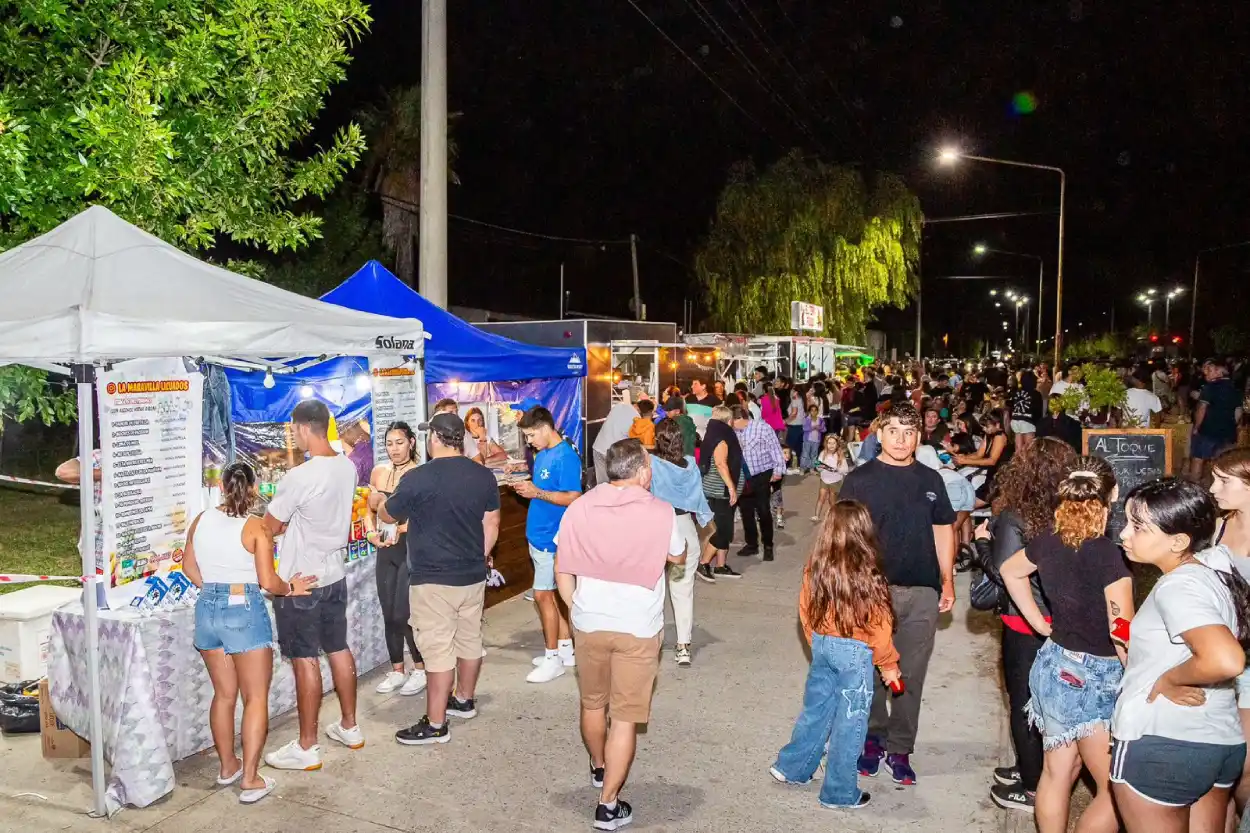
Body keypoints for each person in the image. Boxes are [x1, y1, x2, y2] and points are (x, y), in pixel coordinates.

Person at [555, 439, 687, 831]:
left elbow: (562, 565)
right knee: (625, 719)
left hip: (589, 622)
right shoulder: (661, 511)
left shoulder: (579, 507)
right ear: (642, 471)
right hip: (638, 627)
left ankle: (599, 767)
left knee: (593, 704)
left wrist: (575, 608)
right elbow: (678, 556)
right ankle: (608, 805)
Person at [998, 456, 1133, 833]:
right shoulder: (1109, 556)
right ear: (1112, 496)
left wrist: (1040, 624)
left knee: (1057, 772)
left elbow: (1010, 570)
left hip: (1054, 664)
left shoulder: (1048, 541)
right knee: (1118, 789)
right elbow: (1121, 632)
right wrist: (1140, 681)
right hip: (1096, 677)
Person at [1111, 478, 1250, 832]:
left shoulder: (1178, 586)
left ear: (1178, 541)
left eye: (1138, 527)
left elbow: (1226, 659)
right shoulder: (1214, 567)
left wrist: (1169, 679)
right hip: (1219, 740)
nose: (1124, 534)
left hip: (1162, 744)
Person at [182, 462, 317, 804]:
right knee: (255, 697)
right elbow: (268, 581)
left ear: (221, 487)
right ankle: (251, 779)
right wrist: (292, 587)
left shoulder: (200, 520)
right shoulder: (257, 527)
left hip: (207, 608)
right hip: (243, 609)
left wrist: (214, 590)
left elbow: (188, 567)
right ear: (254, 487)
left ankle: (228, 766)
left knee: (224, 695)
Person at [841, 402, 956, 785]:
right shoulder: (859, 480)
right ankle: (872, 738)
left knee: (911, 675)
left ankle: (901, 748)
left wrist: (947, 579)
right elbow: (845, 538)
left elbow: (943, 529)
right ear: (879, 434)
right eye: (893, 431)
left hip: (922, 591)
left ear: (918, 437)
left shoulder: (931, 480)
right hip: (873, 592)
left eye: (909, 433)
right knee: (871, 671)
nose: (901, 440)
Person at [372, 412, 501, 745]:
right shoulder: (483, 475)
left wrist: (381, 501)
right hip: (472, 575)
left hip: (432, 579)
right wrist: (480, 557)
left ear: (434, 439)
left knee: (437, 649)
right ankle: (464, 699)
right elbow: (492, 523)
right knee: (470, 640)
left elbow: (389, 514)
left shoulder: (418, 477)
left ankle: (435, 723)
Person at [769, 500, 901, 809]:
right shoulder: (868, 571)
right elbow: (880, 625)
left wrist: (816, 640)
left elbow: (805, 608)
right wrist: (889, 664)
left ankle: (793, 767)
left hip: (822, 644)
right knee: (850, 723)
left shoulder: (817, 565)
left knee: (816, 710)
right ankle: (839, 792)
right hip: (855, 652)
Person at [971, 438, 1077, 814]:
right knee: (1046, 702)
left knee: (1023, 703)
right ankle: (1030, 768)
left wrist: (981, 543)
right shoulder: (1072, 510)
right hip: (1060, 616)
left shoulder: (1017, 516)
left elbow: (1003, 572)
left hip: (1024, 620)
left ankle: (1032, 788)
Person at [263, 400, 363, 771]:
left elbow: (268, 526)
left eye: (294, 430)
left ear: (304, 428)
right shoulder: (347, 466)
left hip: (301, 582)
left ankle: (307, 746)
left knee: (305, 659)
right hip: (334, 573)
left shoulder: (300, 476)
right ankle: (350, 726)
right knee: (338, 647)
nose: (294, 436)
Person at [514, 406, 583, 683]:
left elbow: (573, 497)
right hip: (539, 534)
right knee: (551, 596)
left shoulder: (565, 457)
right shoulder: (543, 453)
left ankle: (552, 657)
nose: (529, 441)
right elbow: (545, 488)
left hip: (551, 539)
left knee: (543, 596)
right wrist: (528, 486)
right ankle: (565, 649)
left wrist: (536, 492)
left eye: (531, 435)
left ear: (545, 428)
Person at [364, 422, 427, 696]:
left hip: (409, 550)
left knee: (404, 613)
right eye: (389, 443)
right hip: (385, 550)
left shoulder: (420, 474)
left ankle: (420, 669)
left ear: (411, 442)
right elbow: (367, 509)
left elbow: (426, 516)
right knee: (388, 612)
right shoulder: (379, 472)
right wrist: (370, 533)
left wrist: (401, 528)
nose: (394, 449)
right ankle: (397, 670)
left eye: (399, 442)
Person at [648, 419, 712, 667]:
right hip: (684, 530)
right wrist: (707, 520)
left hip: (656, 528)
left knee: (651, 587)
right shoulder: (690, 466)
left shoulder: (651, 463)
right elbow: (699, 499)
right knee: (682, 589)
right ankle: (683, 646)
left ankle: (650, 641)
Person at [1208, 448, 1250, 818]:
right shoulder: (1219, 524)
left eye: (1223, 481)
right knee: (1221, 759)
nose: (1213, 488)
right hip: (1218, 652)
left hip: (1248, 663)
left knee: (1244, 765)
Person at [731, 404, 785, 562]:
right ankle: (751, 544)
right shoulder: (733, 431)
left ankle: (768, 545)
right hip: (743, 476)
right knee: (746, 511)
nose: (730, 424)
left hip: (762, 474)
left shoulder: (762, 428)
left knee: (763, 510)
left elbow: (775, 449)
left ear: (740, 418)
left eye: (732, 421)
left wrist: (778, 471)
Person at [696, 405, 743, 583]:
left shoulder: (714, 433)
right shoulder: (722, 437)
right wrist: (731, 487)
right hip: (719, 491)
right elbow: (721, 463)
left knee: (725, 528)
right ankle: (703, 563)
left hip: (719, 490)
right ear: (729, 420)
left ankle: (720, 565)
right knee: (723, 530)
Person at [1190, 359, 1244, 482]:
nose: (1206, 373)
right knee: (1222, 463)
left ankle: (1192, 487)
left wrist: (1196, 427)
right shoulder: (1236, 389)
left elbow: (1202, 409)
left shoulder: (1209, 388)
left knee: (1198, 458)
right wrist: (1233, 425)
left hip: (1207, 430)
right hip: (1228, 433)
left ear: (1219, 372)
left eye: (1210, 370)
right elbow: (1238, 412)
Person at [955, 408, 1013, 506]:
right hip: (991, 477)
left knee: (968, 506)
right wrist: (964, 458)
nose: (984, 429)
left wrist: (965, 461)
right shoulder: (989, 434)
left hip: (1000, 478)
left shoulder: (1000, 436)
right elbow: (979, 454)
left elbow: (992, 461)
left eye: (987, 426)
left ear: (997, 425)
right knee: (967, 506)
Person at [592, 393, 639, 485]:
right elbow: (634, 440)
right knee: (616, 485)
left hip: (598, 447)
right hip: (613, 453)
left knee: (602, 484)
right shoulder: (636, 418)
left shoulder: (618, 406)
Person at [812, 433, 849, 521]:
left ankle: (835, 516)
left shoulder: (840, 455)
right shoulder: (823, 453)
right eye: (829, 443)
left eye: (833, 443)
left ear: (837, 444)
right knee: (821, 497)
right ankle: (816, 516)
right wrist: (819, 466)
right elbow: (818, 466)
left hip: (835, 481)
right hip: (824, 479)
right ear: (826, 444)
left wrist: (838, 469)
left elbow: (845, 470)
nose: (831, 445)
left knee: (832, 500)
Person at [1008, 371, 1042, 453]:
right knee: (1029, 449)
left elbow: (1012, 405)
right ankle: (1026, 461)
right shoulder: (1036, 394)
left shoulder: (1016, 392)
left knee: (1018, 449)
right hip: (1028, 421)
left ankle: (1017, 460)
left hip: (1015, 420)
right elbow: (1038, 410)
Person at [799, 403, 826, 473]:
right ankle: (802, 468)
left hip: (816, 441)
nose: (813, 412)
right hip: (807, 440)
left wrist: (819, 428)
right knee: (805, 454)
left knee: (814, 455)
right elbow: (804, 428)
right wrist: (812, 427)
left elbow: (824, 429)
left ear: (817, 411)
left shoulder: (821, 420)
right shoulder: (806, 419)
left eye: (815, 410)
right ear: (809, 411)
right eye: (812, 410)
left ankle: (812, 468)